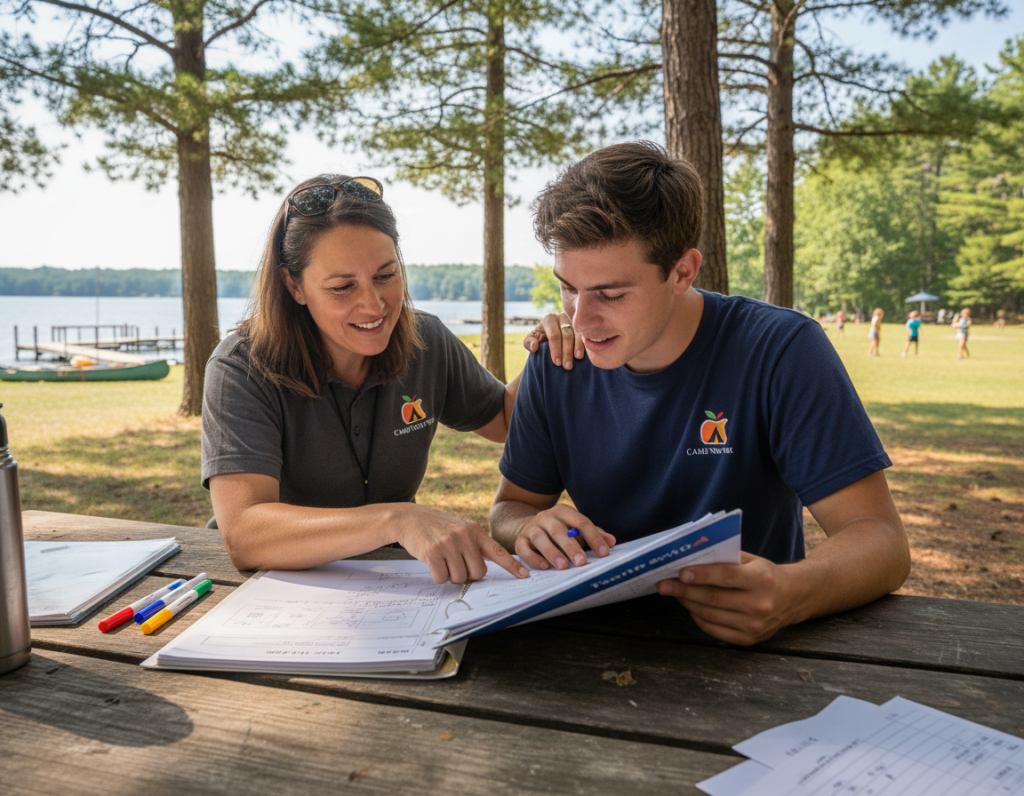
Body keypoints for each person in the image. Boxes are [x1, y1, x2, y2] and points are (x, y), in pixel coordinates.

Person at [488, 142, 910, 646]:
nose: (580, 319)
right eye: (568, 288)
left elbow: (882, 540)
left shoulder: (780, 350)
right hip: (596, 644)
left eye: (611, 294)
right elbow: (509, 508)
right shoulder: (556, 360)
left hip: (749, 647)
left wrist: (792, 592)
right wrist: (529, 529)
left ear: (683, 271)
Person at [202, 173, 580, 584]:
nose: (374, 305)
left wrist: (550, 345)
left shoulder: (426, 340)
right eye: (343, 287)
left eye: (386, 275)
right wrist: (394, 519)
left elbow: (505, 420)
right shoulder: (241, 367)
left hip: (394, 586)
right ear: (293, 285)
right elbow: (245, 534)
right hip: (271, 591)